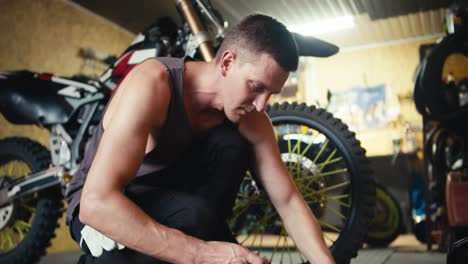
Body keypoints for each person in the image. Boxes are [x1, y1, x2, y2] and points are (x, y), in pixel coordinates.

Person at [65, 14, 335, 264]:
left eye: (271, 93)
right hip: (111, 201)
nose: (262, 105)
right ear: (228, 62)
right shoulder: (153, 84)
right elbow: (97, 202)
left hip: (182, 205)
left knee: (232, 145)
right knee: (192, 218)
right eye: (256, 87)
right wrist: (204, 254)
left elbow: (288, 202)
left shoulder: (252, 118)